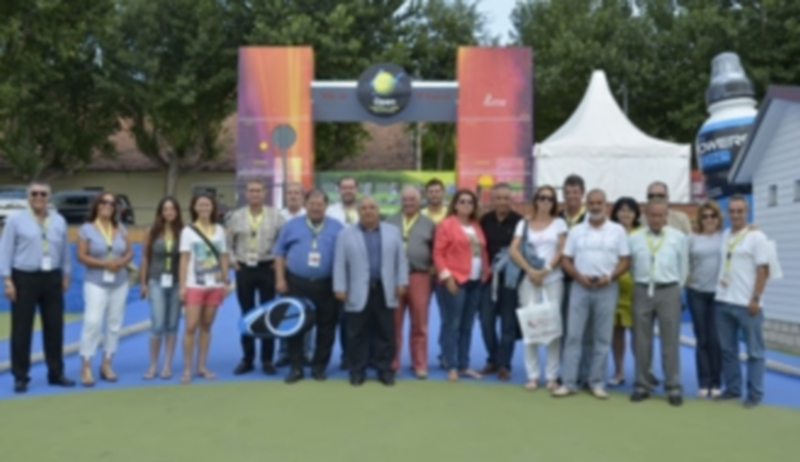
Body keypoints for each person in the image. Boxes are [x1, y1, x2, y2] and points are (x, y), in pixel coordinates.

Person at [552, 189, 630, 399]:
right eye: (592, 203)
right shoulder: (577, 230)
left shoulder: (617, 231)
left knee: (602, 338)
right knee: (573, 336)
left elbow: (625, 260)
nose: (595, 207)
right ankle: (569, 382)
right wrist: (578, 277)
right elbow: (566, 259)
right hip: (580, 287)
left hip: (607, 287)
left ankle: (596, 382)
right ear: (587, 204)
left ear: (606, 204)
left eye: (599, 203)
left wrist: (610, 277)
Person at [0, 181, 75, 393]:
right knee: (22, 329)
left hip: (52, 277)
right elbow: (5, 251)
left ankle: (56, 372)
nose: (38, 197)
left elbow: (64, 250)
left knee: (54, 327)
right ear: (28, 196)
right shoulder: (15, 220)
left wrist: (66, 274)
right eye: (34, 194)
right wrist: (7, 280)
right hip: (24, 277)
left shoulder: (59, 220)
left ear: (49, 197)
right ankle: (20, 376)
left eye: (43, 194)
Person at [333, 197, 408, 386]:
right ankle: (357, 370)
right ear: (358, 212)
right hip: (356, 290)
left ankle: (384, 370)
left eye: (372, 207)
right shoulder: (345, 235)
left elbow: (401, 260)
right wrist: (339, 287)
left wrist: (402, 282)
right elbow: (339, 263)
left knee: (385, 332)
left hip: (385, 289)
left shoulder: (393, 232)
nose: (368, 211)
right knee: (356, 333)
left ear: (378, 210)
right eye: (364, 208)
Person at [276, 189, 344, 383]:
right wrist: (280, 279)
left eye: (319, 204)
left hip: (327, 285)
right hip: (296, 283)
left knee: (326, 327)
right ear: (306, 205)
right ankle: (296, 368)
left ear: (326, 206)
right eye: (312, 204)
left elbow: (344, 257)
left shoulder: (337, 227)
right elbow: (279, 253)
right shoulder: (291, 226)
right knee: (294, 325)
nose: (315, 207)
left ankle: (319, 366)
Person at [628, 199, 688, 407]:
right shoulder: (634, 238)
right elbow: (632, 267)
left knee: (670, 340)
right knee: (641, 340)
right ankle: (642, 385)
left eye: (660, 215)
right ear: (645, 216)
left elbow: (684, 268)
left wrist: (675, 289)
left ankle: (672, 385)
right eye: (652, 215)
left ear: (666, 216)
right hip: (643, 288)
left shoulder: (678, 238)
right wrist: (641, 283)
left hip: (668, 289)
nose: (655, 219)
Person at [509, 185, 567, 391]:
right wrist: (530, 270)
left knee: (553, 326)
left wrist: (546, 270)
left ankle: (552, 375)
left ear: (554, 202)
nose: (545, 201)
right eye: (542, 197)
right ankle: (532, 375)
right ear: (535, 200)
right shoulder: (523, 223)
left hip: (552, 278)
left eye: (549, 199)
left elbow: (562, 250)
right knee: (530, 325)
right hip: (528, 278)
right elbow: (513, 249)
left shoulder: (559, 223)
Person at [714, 195, 770, 408]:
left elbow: (763, 269)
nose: (736, 215)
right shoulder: (725, 235)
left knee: (755, 351)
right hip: (723, 300)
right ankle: (733, 388)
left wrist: (756, 297)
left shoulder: (757, 237)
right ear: (727, 213)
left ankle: (755, 394)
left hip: (748, 304)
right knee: (728, 350)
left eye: (740, 211)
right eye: (732, 211)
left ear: (747, 212)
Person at [227, 180, 284, 375]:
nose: (255, 194)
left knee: (269, 314)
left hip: (267, 267)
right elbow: (227, 244)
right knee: (247, 314)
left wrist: (277, 263)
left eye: (258, 190)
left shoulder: (276, 216)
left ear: (265, 193)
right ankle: (247, 359)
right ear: (246, 193)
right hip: (244, 269)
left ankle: (267, 359)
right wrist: (234, 263)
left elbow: (283, 241)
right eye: (251, 190)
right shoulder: (236, 216)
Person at [76, 192, 133, 386]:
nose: (108, 205)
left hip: (119, 282)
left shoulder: (120, 228)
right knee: (92, 322)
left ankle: (107, 364)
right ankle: (86, 365)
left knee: (114, 324)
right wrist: (104, 265)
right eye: (104, 202)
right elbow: (81, 256)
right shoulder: (86, 229)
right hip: (95, 282)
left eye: (112, 203)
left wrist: (122, 261)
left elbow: (129, 251)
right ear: (97, 205)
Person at [433, 189, 490, 382]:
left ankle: (464, 365)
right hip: (455, 281)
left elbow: (481, 252)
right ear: (455, 205)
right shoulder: (446, 225)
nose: (466, 205)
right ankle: (452, 364)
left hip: (475, 282)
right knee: (452, 324)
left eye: (470, 202)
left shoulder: (476, 226)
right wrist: (447, 277)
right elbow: (438, 254)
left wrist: (485, 272)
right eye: (462, 201)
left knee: (467, 326)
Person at [179, 194, 229, 384]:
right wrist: (182, 285)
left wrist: (225, 280)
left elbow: (223, 256)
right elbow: (184, 259)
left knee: (206, 325)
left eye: (207, 204)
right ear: (194, 208)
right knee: (191, 327)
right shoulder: (187, 231)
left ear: (213, 207)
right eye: (200, 205)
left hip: (214, 284)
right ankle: (186, 369)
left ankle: (201, 366)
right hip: (194, 285)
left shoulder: (219, 231)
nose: (204, 208)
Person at [386, 186, 435, 379]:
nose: (408, 203)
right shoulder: (390, 222)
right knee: (393, 323)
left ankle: (420, 364)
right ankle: (393, 361)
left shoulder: (429, 224)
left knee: (420, 324)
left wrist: (433, 268)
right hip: (394, 277)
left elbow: (436, 249)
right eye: (405, 199)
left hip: (419, 276)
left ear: (419, 200)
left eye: (412, 199)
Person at [478, 183, 522, 380]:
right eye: (499, 198)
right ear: (493, 200)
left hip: (511, 281)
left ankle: (504, 364)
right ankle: (492, 358)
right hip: (488, 280)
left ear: (511, 200)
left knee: (508, 324)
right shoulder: (484, 221)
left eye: (506, 198)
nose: (503, 202)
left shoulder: (520, 222)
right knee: (486, 321)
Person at [139, 197, 184, 380]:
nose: (169, 212)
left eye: (172, 209)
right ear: (160, 212)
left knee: (172, 324)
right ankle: (152, 365)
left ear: (177, 212)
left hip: (176, 282)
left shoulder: (182, 232)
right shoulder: (151, 231)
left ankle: (167, 365)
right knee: (157, 323)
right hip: (156, 280)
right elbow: (144, 257)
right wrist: (143, 282)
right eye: (165, 209)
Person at [686, 200, 724, 398]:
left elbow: (744, 234)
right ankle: (704, 382)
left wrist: (753, 227)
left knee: (715, 340)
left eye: (713, 216)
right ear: (700, 219)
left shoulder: (724, 237)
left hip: (718, 295)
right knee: (702, 339)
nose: (709, 220)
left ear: (718, 219)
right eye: (705, 216)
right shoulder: (691, 239)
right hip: (697, 293)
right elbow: (681, 258)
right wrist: (686, 279)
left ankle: (716, 382)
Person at [557, 174, 592, 386]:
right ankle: (568, 372)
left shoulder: (591, 219)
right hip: (561, 281)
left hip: (584, 281)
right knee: (564, 329)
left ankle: (586, 374)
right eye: (568, 192)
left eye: (575, 192)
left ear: (582, 193)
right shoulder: (557, 218)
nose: (571, 196)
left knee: (586, 331)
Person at [276, 181, 312, 367]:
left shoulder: (310, 217)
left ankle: (306, 352)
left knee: (305, 313)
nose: (293, 196)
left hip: (303, 273)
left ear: (303, 197)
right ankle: (283, 353)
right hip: (283, 272)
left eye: (297, 193)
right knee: (284, 314)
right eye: (289, 193)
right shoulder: (278, 217)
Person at [608, 197, 641, 387]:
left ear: (636, 214)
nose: (626, 214)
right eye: (622, 210)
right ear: (616, 213)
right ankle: (618, 371)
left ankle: (642, 373)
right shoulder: (610, 233)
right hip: (613, 288)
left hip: (636, 290)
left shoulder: (641, 234)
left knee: (639, 334)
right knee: (616, 333)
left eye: (630, 210)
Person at [326, 175, 359, 369]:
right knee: (340, 317)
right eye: (344, 188)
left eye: (351, 188)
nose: (348, 191)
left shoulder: (365, 209)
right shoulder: (331, 212)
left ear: (356, 190)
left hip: (361, 271)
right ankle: (345, 356)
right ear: (338, 190)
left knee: (360, 316)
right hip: (336, 270)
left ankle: (359, 354)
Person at [421, 178, 448, 370]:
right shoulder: (420, 214)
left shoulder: (451, 214)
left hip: (445, 272)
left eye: (437, 191)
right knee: (420, 317)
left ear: (443, 193)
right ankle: (419, 358)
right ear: (426, 194)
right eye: (431, 192)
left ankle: (445, 354)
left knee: (447, 316)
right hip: (423, 272)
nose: (434, 195)